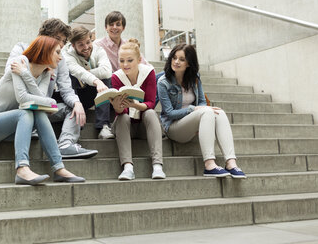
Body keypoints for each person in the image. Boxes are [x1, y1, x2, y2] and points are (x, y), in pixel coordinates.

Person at [0, 36, 85, 185]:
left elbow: (42, 99)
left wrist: (26, 76)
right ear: (45, 51)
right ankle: (22, 168)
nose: (60, 58)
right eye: (57, 52)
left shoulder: (46, 73)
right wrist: (27, 75)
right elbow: (23, 98)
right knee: (26, 111)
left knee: (38, 111)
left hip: (14, 129)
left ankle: (59, 168)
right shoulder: (20, 63)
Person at [6, 19, 98, 159]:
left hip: (41, 108)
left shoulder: (59, 59)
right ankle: (31, 128)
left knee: (72, 107)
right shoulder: (20, 50)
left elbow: (66, 90)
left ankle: (66, 145)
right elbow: (11, 76)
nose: (60, 44)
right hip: (19, 108)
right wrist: (38, 69)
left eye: (63, 41)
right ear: (43, 35)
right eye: (57, 38)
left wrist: (77, 103)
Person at [157, 44, 246, 178]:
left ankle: (231, 163)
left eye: (181, 59)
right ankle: (209, 165)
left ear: (189, 63)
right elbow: (169, 113)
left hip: (191, 123)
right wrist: (194, 110)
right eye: (174, 58)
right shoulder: (163, 82)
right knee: (206, 111)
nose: (176, 62)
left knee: (219, 112)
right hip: (173, 127)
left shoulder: (194, 78)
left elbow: (202, 103)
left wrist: (200, 112)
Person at [110, 39, 166, 180]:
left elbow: (151, 103)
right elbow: (120, 112)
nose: (125, 64)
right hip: (125, 126)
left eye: (130, 60)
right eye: (121, 61)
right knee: (122, 117)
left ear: (139, 60)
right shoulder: (116, 77)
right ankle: (128, 167)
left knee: (151, 113)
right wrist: (117, 105)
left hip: (143, 126)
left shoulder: (148, 73)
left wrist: (133, 105)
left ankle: (157, 166)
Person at [64, 26, 114, 139]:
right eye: (81, 44)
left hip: (95, 94)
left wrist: (90, 75)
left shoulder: (98, 50)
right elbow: (78, 72)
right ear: (73, 45)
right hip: (76, 96)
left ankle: (103, 127)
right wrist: (95, 80)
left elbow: (106, 71)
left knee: (105, 80)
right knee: (72, 76)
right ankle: (76, 125)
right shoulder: (66, 54)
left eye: (88, 42)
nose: (86, 47)